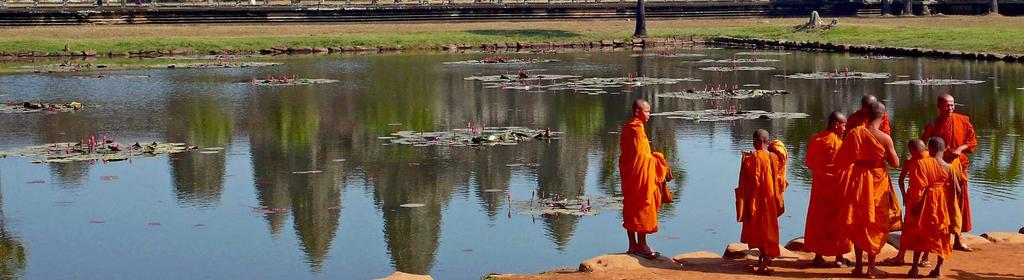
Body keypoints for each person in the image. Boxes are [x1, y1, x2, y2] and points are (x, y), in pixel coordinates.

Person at [836, 102, 901, 278]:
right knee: (876, 223)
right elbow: (896, 164)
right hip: (877, 180)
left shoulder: (854, 133)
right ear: (884, 116)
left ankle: (858, 266)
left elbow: (842, 160)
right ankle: (871, 266)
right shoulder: (884, 137)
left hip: (858, 179)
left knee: (859, 221)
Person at [920, 93, 977, 252]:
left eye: (952, 105)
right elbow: (922, 145)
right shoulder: (933, 124)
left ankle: (958, 239)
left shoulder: (962, 120)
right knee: (940, 204)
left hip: (957, 166)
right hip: (939, 169)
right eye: (947, 105)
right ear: (939, 106)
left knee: (959, 202)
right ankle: (937, 240)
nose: (950, 108)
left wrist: (960, 149)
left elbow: (972, 141)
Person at [619, 99, 672, 259]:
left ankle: (632, 246)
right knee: (642, 205)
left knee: (631, 206)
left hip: (631, 174)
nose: (649, 114)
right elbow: (643, 157)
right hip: (639, 176)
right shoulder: (636, 130)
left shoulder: (629, 127)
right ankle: (641, 245)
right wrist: (659, 159)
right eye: (647, 111)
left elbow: (629, 155)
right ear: (637, 112)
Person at [904, 137, 959, 278]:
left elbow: (918, 188)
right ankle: (938, 269)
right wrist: (950, 204)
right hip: (942, 205)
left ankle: (915, 269)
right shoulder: (949, 167)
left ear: (930, 149)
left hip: (925, 203)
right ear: (945, 149)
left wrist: (916, 205)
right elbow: (958, 190)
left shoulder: (922, 164)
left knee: (920, 233)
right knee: (943, 235)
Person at [803, 111, 852, 268]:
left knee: (819, 220)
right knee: (839, 220)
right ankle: (839, 258)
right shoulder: (839, 144)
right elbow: (848, 165)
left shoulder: (817, 139)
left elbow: (809, 163)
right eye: (844, 126)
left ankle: (818, 256)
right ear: (837, 125)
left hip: (820, 188)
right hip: (839, 189)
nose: (845, 129)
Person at [736, 129, 788, 275]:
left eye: (753, 141)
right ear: (767, 141)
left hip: (756, 200)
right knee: (768, 226)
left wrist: (745, 159)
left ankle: (765, 258)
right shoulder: (773, 157)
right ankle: (766, 255)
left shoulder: (752, 158)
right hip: (770, 199)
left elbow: (749, 180)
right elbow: (780, 173)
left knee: (759, 228)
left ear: (756, 142)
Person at [882, 140, 931, 267]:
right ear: (912, 151)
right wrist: (904, 195)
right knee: (908, 228)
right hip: (912, 198)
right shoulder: (910, 162)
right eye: (914, 153)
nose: (917, 155)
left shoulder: (931, 159)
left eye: (920, 152)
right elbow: (901, 179)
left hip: (928, 199)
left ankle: (925, 258)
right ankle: (900, 256)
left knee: (926, 228)